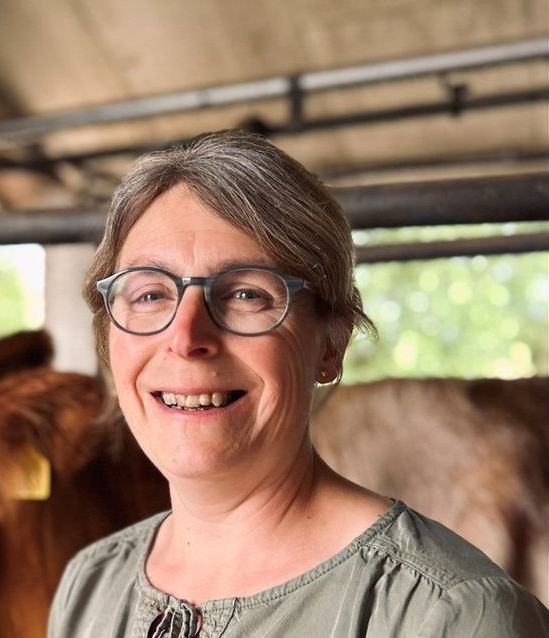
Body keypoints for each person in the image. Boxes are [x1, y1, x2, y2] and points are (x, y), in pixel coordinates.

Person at [47, 130, 549, 637]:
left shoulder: (449, 615)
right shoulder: (90, 585)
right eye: (150, 294)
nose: (185, 337)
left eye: (245, 294)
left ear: (330, 344)